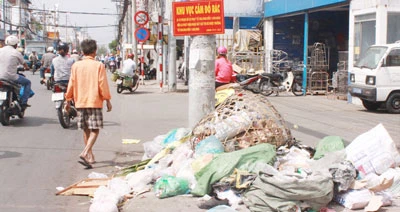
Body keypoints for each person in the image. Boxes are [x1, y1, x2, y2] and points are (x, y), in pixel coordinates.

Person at [65, 39, 112, 169]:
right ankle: (85, 152)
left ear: (82, 51)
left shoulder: (76, 66)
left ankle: (89, 156)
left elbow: (71, 83)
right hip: (94, 101)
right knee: (95, 130)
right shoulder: (98, 65)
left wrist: (68, 99)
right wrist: (107, 99)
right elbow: (102, 84)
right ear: (94, 51)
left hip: (80, 101)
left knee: (85, 129)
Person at [0, 35, 32, 108]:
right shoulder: (16, 52)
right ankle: (24, 102)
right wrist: (26, 68)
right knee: (27, 82)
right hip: (11, 77)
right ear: (16, 44)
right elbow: (25, 65)